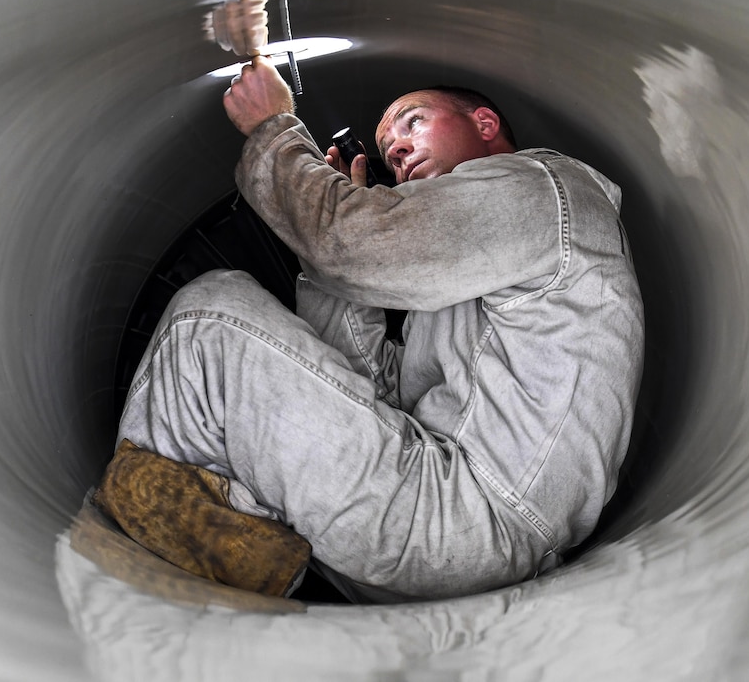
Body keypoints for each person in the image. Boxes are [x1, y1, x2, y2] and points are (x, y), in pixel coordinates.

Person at [115, 56, 645, 603]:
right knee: (221, 341)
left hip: (469, 518)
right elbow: (370, 386)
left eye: (412, 121)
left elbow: (349, 243)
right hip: (430, 532)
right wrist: (334, 260)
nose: (394, 147)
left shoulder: (547, 190)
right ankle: (221, 558)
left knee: (207, 319)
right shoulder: (473, 274)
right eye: (388, 143)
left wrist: (273, 127)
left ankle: (145, 569)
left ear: (484, 125)